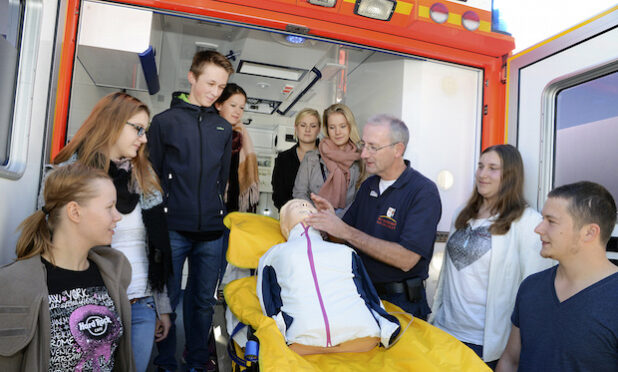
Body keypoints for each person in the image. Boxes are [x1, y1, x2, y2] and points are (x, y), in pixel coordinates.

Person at [51, 92, 173, 372]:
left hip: (141, 303)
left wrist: (162, 307)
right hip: (91, 304)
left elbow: (156, 248)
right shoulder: (71, 176)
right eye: (137, 129)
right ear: (112, 124)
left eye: (146, 131)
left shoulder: (145, 176)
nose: (143, 138)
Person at [306, 114, 441, 320]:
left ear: (398, 149)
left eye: (373, 147)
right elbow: (342, 237)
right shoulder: (369, 186)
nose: (364, 154)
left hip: (400, 306)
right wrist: (330, 220)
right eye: (363, 145)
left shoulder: (423, 192)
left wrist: (345, 231)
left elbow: (406, 259)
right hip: (362, 296)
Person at [0, 163, 134, 371]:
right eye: (109, 207)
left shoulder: (113, 273)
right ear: (75, 212)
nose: (117, 216)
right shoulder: (16, 284)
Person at [148, 50, 234, 372]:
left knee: (202, 303)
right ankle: (166, 362)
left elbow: (221, 181)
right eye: (210, 83)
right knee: (167, 301)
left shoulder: (224, 130)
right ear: (192, 77)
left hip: (212, 233)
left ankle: (197, 360)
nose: (215, 91)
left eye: (221, 86)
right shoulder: (164, 123)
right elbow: (151, 177)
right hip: (172, 228)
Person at [430, 144, 553, 368]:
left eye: (493, 168)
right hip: (445, 331)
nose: (482, 174)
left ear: (510, 175)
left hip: (487, 345)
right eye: (480, 166)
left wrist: (515, 351)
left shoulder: (526, 222)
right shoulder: (462, 214)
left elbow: (537, 291)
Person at [497, 181, 618, 372]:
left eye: (550, 221)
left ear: (589, 232)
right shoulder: (531, 287)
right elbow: (510, 361)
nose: (538, 229)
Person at [257, 199, 400, 355]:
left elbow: (369, 295)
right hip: (303, 339)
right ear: (285, 227)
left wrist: (387, 327)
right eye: (294, 206)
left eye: (308, 205)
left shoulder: (345, 252)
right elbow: (266, 298)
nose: (304, 205)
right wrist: (280, 332)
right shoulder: (275, 254)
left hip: (361, 336)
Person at [293, 103, 363, 217]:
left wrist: (335, 223)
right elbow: (299, 193)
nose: (337, 132)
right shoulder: (311, 158)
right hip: (313, 222)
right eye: (332, 127)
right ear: (327, 129)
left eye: (342, 126)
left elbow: (359, 200)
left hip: (345, 226)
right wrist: (317, 217)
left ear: (350, 126)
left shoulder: (361, 161)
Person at [214, 83, 259, 213]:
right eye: (233, 105)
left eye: (241, 107)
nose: (237, 111)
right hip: (212, 201)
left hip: (234, 202)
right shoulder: (209, 132)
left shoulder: (240, 134)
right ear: (219, 104)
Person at [271, 108, 321, 211]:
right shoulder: (283, 159)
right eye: (303, 125)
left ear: (319, 129)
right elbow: (278, 195)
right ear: (296, 127)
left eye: (313, 126)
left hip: (322, 219)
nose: (307, 130)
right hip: (291, 219)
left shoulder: (327, 157)